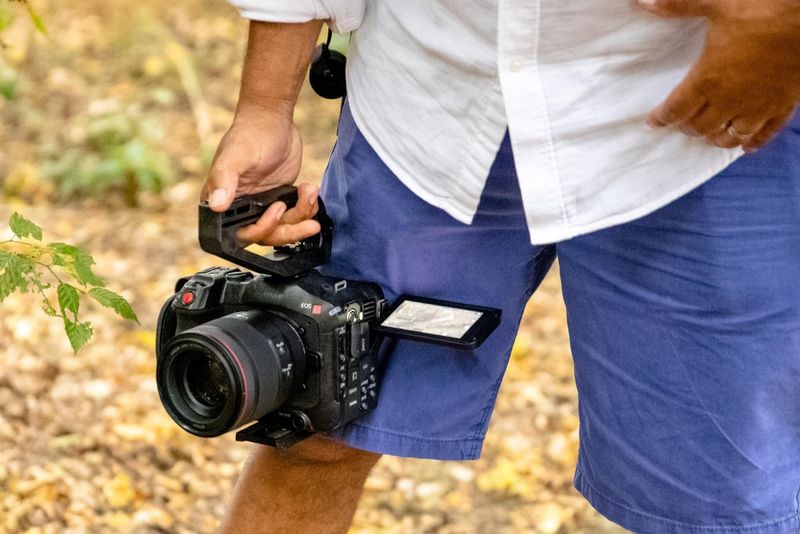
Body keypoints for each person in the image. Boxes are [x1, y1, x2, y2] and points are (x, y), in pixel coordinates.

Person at [202, 1, 800, 532]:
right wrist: (265, 105)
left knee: (720, 499)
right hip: (431, 100)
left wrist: (783, 22)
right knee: (314, 421)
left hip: (702, 105)